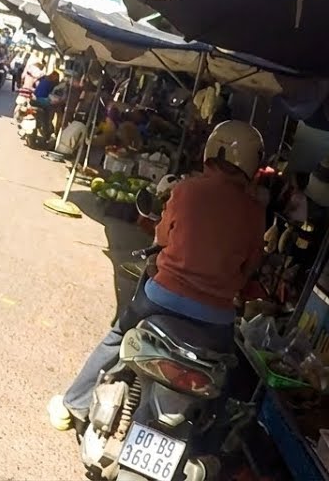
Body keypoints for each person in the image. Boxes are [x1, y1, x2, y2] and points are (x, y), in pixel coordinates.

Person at [48, 121, 267, 430]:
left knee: (117, 337)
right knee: (224, 376)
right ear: (252, 163)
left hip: (163, 297)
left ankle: (73, 403)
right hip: (216, 317)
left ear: (212, 151)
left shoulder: (186, 190)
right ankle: (210, 441)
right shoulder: (255, 212)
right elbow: (250, 266)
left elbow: (162, 237)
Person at [32, 71, 61, 141]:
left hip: (35, 98)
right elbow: (52, 93)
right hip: (42, 100)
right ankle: (48, 128)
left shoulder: (44, 79)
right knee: (48, 114)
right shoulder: (51, 83)